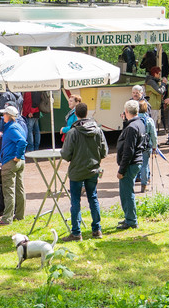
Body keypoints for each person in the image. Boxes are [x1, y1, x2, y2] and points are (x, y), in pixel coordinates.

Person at [60, 102, 107, 241]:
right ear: (87, 113)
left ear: (76, 114)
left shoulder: (72, 132)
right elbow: (104, 152)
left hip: (77, 170)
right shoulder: (97, 130)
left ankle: (76, 232)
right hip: (93, 169)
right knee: (93, 198)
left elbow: (66, 154)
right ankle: (97, 230)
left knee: (75, 200)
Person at [114, 100, 146, 231]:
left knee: (126, 193)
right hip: (137, 161)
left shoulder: (132, 128)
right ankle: (129, 217)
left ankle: (131, 220)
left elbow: (128, 151)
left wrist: (121, 170)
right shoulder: (140, 123)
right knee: (127, 191)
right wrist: (124, 122)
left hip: (130, 163)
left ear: (126, 111)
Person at [0, 105, 28, 226]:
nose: (2, 116)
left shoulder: (12, 127)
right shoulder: (17, 126)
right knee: (19, 189)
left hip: (11, 161)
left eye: (4, 114)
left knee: (9, 190)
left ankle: (6, 219)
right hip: (19, 161)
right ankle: (19, 215)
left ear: (9, 116)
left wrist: (18, 155)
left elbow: (22, 142)